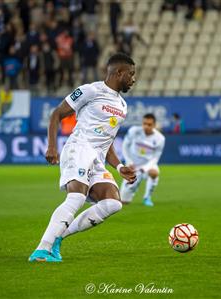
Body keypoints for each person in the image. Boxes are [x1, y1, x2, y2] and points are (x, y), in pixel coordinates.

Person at [29, 53, 137, 263]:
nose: (133, 79)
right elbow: (56, 114)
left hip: (97, 157)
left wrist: (119, 166)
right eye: (131, 74)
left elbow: (108, 141)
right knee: (76, 197)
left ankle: (59, 237)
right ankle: (42, 250)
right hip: (78, 148)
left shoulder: (123, 106)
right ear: (119, 73)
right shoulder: (91, 90)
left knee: (113, 203)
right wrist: (51, 146)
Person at [120, 114, 165, 207]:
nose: (146, 126)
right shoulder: (134, 131)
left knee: (154, 173)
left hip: (147, 165)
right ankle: (131, 190)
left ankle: (147, 197)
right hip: (132, 166)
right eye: (144, 123)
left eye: (149, 124)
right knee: (123, 202)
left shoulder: (160, 138)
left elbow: (155, 158)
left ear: (154, 125)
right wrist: (128, 162)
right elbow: (125, 146)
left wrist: (144, 168)